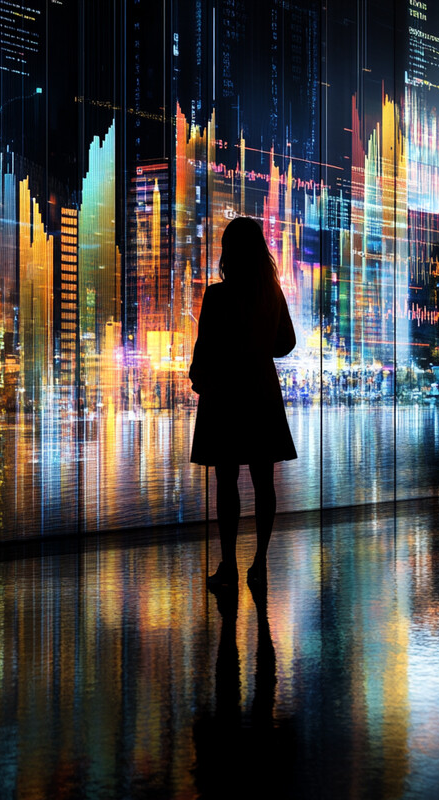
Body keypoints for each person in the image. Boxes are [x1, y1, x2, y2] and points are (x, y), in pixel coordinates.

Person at [189, 216, 297, 590]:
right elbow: (287, 343)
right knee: (264, 482)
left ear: (227, 252)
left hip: (225, 394)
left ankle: (229, 567)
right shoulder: (272, 294)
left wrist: (201, 375)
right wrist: (259, 349)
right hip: (261, 393)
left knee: (226, 481)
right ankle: (260, 562)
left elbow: (204, 347)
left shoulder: (217, 295)